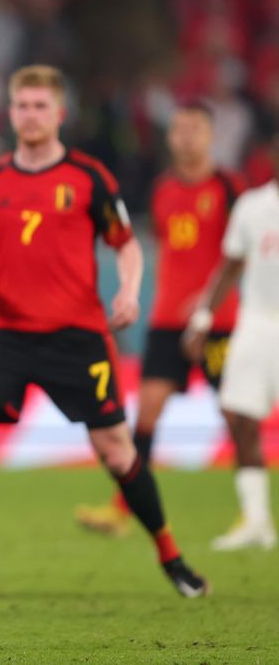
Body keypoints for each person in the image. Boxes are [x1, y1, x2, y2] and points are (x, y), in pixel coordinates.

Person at [0, 64, 209, 599]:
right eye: (22, 106)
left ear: (59, 113)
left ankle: (173, 559)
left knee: (118, 453)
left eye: (40, 106)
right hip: (6, 332)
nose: (30, 115)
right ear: (12, 112)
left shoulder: (88, 177)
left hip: (76, 335)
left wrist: (128, 290)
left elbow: (126, 243)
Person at [76, 102, 243, 536]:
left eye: (196, 129)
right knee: (146, 411)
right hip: (167, 319)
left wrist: (206, 301)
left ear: (211, 135)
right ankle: (122, 508)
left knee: (236, 415)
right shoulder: (163, 190)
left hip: (219, 320)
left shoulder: (228, 188)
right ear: (171, 137)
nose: (187, 137)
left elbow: (239, 255)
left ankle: (253, 512)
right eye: (180, 129)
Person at [183, 135, 279, 551]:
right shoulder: (253, 206)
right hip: (257, 323)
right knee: (238, 416)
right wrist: (203, 317)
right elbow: (230, 266)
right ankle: (257, 521)